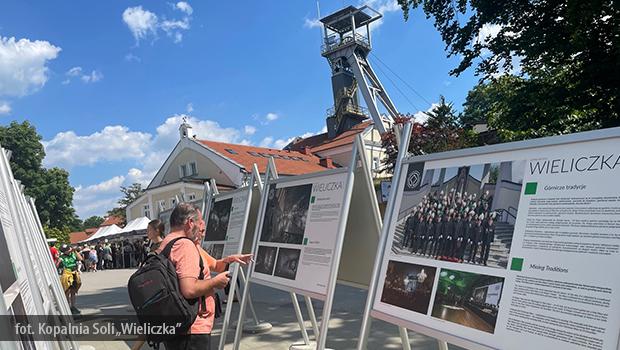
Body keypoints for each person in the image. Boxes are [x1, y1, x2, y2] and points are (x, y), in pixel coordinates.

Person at [156, 203, 252, 350]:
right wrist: (215, 282)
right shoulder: (184, 246)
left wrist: (230, 259)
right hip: (192, 328)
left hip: (178, 324)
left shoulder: (167, 242)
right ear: (190, 222)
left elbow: (214, 265)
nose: (203, 226)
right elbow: (189, 289)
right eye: (200, 221)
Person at [58, 244, 83, 314]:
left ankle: (73, 306)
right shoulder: (62, 257)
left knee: (73, 291)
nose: (69, 250)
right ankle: (67, 307)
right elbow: (56, 265)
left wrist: (75, 251)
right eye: (67, 250)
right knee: (67, 291)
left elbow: (81, 259)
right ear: (64, 252)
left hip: (74, 273)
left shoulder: (73, 254)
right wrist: (58, 260)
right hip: (67, 274)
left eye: (69, 249)